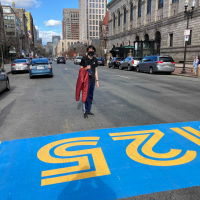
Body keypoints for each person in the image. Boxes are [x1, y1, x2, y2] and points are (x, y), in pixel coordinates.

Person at [80, 45, 99, 118]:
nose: (91, 51)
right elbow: (81, 70)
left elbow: (96, 71)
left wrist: (97, 81)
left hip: (92, 80)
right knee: (86, 96)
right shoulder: (84, 59)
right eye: (90, 50)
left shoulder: (95, 59)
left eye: (92, 50)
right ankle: (85, 111)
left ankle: (88, 110)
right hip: (86, 80)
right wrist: (85, 68)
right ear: (87, 51)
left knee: (90, 96)